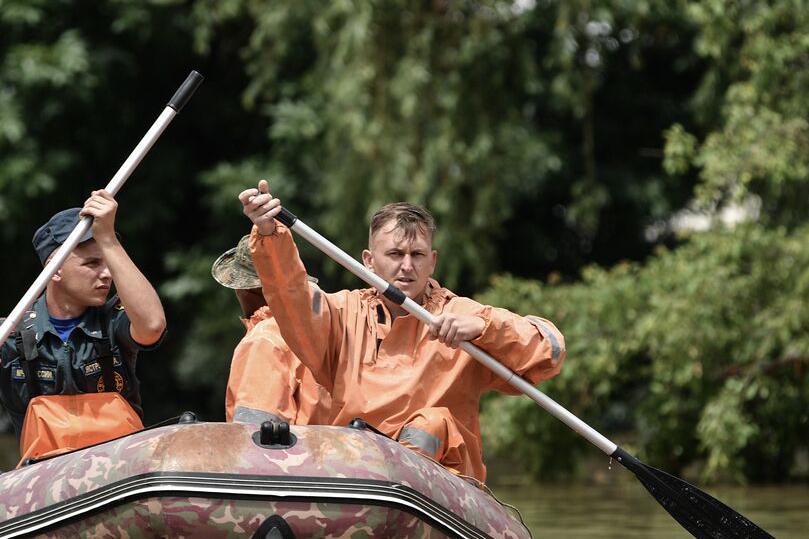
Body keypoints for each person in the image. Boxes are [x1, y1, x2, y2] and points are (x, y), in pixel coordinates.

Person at [237, 180, 565, 482]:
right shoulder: (343, 313)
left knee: (433, 423)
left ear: (432, 261)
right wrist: (269, 234)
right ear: (368, 260)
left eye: (417, 255)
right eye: (395, 254)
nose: (407, 266)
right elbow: (292, 296)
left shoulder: (461, 316)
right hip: (354, 470)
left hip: (440, 485)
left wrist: (485, 328)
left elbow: (549, 350)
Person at [0, 190, 166, 463]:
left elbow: (152, 326)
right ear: (54, 270)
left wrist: (108, 239)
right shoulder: (5, 334)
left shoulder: (115, 318)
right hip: (44, 478)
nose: (107, 273)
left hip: (121, 472)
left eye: (108, 261)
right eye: (92, 263)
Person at [211, 234, 334, 425]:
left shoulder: (264, 341)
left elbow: (255, 436)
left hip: (296, 454)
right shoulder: (331, 325)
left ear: (245, 289)